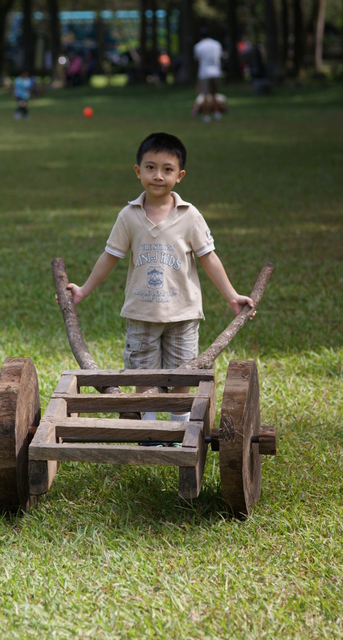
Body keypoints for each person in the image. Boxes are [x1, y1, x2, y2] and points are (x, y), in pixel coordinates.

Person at [63, 133, 254, 429]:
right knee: (144, 379)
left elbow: (209, 259)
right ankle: (149, 432)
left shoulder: (190, 216)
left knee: (182, 378)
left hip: (183, 313)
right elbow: (109, 257)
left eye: (167, 169)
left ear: (180, 176)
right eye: (150, 167)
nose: (158, 176)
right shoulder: (128, 216)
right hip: (141, 315)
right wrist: (83, 290)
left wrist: (232, 296)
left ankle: (181, 433)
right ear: (138, 171)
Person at [193, 28, 224, 122]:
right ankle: (217, 113)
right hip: (216, 71)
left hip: (204, 73)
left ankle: (206, 116)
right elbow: (220, 57)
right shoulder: (216, 44)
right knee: (215, 94)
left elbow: (197, 59)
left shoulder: (199, 46)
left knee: (205, 95)